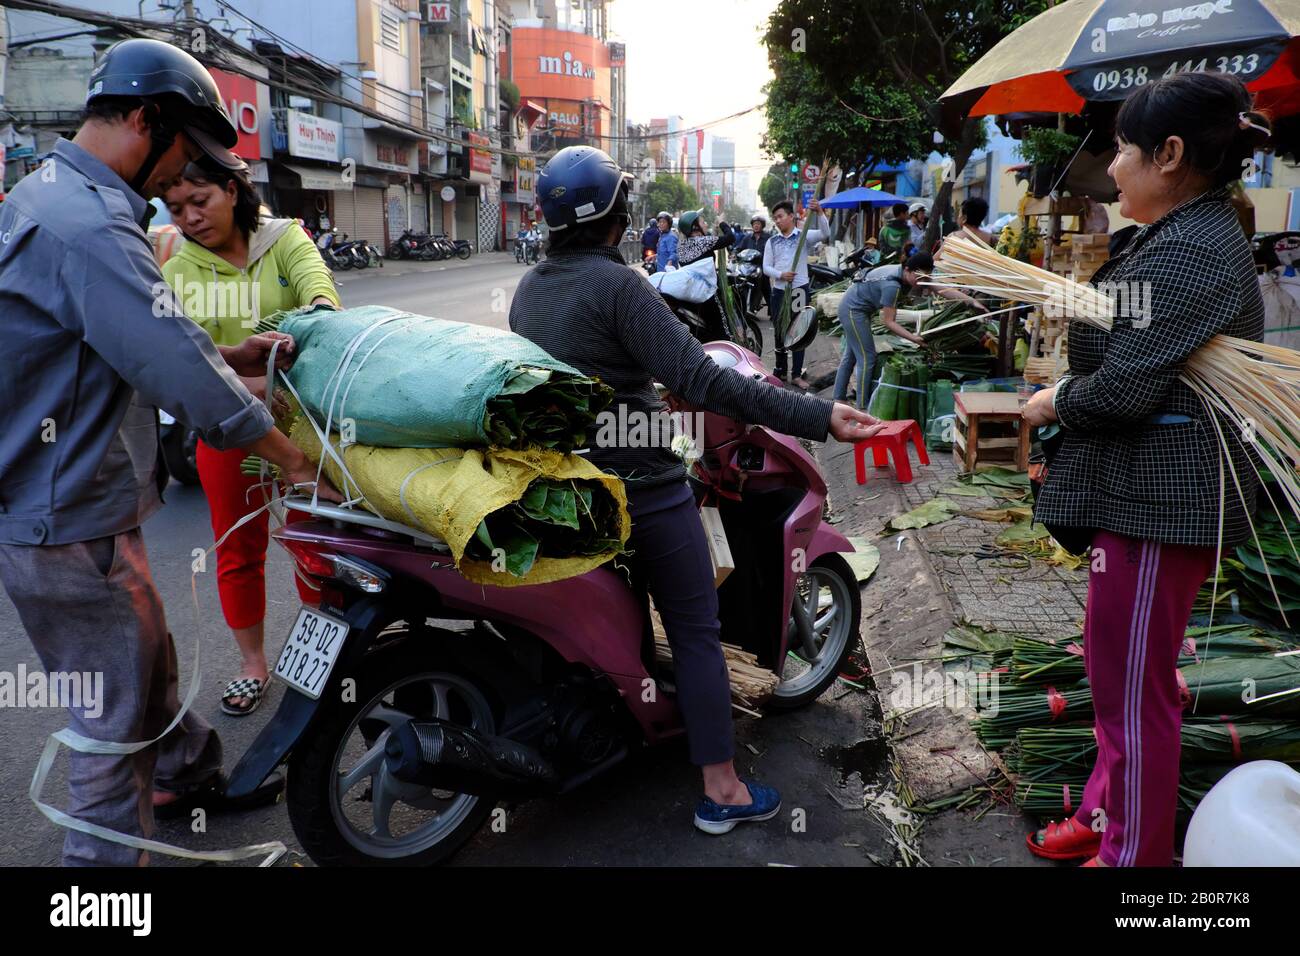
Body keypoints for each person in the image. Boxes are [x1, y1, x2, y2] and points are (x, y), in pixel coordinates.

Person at [0, 38, 343, 867]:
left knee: (146, 656)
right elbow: (174, 371)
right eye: (186, 154)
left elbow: (121, 344)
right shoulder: (86, 225)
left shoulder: (51, 195)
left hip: (74, 501)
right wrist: (299, 465)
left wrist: (231, 357)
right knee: (113, 720)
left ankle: (187, 775)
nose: (181, 184)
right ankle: (103, 890)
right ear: (148, 122)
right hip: (63, 517)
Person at [509, 146, 884, 835]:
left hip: (564, 482)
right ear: (615, 217)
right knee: (695, 630)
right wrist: (819, 414)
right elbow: (708, 382)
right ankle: (722, 790)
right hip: (642, 488)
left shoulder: (532, 289)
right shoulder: (619, 286)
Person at [1021, 71, 1269, 867]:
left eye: (1123, 148)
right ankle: (1103, 815)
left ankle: (1134, 859)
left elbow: (1125, 387)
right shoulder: (1176, 234)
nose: (1113, 165)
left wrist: (1055, 399)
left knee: (1134, 693)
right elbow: (1133, 343)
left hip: (1162, 502)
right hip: (1139, 498)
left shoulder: (1196, 248)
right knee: (1123, 678)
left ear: (1169, 155)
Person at [162, 156, 341, 716]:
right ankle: (252, 664)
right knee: (238, 551)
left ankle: (321, 653)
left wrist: (309, 322)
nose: (190, 218)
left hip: (302, 424)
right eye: (176, 209)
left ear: (234, 191)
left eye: (200, 201)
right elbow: (184, 364)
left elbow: (322, 302)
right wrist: (259, 380)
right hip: (226, 429)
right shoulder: (176, 270)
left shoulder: (285, 239)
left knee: (314, 541)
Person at [833, 253, 987, 407]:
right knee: (867, 357)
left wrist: (972, 302)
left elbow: (942, 289)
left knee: (851, 356)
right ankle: (862, 405)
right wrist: (914, 338)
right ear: (907, 270)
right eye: (920, 277)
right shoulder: (892, 285)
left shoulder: (912, 275)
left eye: (926, 278)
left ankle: (838, 398)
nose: (923, 282)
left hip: (857, 309)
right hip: (853, 311)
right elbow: (888, 322)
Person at [763, 197, 832, 388]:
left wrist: (819, 212)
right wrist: (781, 275)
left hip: (799, 291)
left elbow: (826, 233)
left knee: (799, 331)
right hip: (779, 291)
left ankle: (796, 374)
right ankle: (780, 370)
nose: (777, 221)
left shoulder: (803, 236)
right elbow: (766, 267)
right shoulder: (772, 241)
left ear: (791, 216)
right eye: (775, 218)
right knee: (779, 331)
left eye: (780, 216)